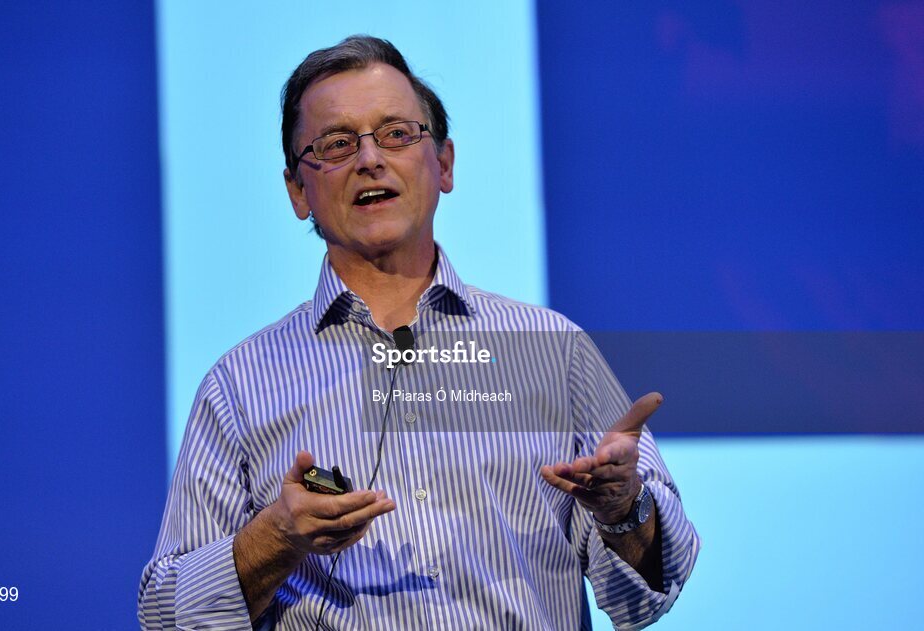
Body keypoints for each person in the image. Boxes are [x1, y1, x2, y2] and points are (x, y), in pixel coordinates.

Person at [139, 35, 699, 630]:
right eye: (335, 144)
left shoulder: (551, 351)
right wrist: (277, 536)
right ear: (298, 191)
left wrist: (623, 508)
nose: (369, 159)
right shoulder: (241, 385)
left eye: (397, 134)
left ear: (445, 164)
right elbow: (165, 615)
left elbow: (650, 591)